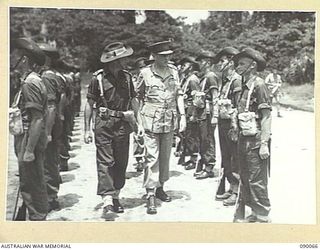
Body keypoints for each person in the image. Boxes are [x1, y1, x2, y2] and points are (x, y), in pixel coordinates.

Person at [84, 42, 137, 214]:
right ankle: (107, 200)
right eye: (121, 59)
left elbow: (133, 100)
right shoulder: (97, 79)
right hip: (104, 124)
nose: (124, 62)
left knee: (121, 162)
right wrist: (86, 129)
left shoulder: (128, 78)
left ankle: (116, 196)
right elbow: (89, 104)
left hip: (123, 124)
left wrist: (138, 122)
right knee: (105, 162)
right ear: (112, 61)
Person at [136, 41, 186, 214]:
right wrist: (139, 121)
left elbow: (178, 94)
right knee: (152, 156)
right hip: (150, 119)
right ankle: (150, 193)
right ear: (154, 56)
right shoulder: (145, 73)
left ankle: (160, 187)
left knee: (165, 156)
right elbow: (137, 97)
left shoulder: (174, 71)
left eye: (169, 55)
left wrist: (183, 116)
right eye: (163, 56)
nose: (167, 58)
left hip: (169, 119)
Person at [11, 38, 49, 220]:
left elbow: (37, 119)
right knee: (30, 180)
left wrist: (29, 150)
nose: (12, 58)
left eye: (15, 55)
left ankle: (37, 219)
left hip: (29, 136)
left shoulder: (30, 83)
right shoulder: (30, 80)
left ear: (24, 59)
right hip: (28, 135)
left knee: (32, 182)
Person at [232, 48, 272, 223]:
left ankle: (263, 215)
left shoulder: (259, 85)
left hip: (255, 141)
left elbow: (266, 116)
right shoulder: (242, 85)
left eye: (242, 64)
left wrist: (264, 143)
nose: (237, 67)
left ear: (253, 66)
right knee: (246, 176)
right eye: (237, 63)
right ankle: (254, 212)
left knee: (257, 179)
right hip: (243, 139)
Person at [213, 47, 242, 206]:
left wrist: (234, 126)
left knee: (234, 157)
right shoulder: (225, 80)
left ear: (231, 62)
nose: (219, 64)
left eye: (223, 61)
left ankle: (237, 191)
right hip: (223, 123)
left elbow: (238, 105)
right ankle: (231, 187)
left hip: (231, 124)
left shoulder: (236, 80)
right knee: (226, 157)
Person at [38, 43, 63, 211]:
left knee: (47, 160)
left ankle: (51, 198)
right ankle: (50, 196)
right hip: (53, 123)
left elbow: (52, 106)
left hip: (49, 124)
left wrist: (47, 132)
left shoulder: (46, 77)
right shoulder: (52, 75)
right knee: (50, 159)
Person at [192, 51, 219, 179]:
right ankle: (204, 163)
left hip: (209, 111)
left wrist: (215, 115)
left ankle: (209, 167)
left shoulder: (211, 76)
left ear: (208, 62)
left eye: (202, 61)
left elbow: (215, 96)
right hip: (202, 111)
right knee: (203, 138)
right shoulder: (204, 77)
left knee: (208, 139)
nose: (200, 64)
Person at [177, 56, 201, 170]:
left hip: (191, 110)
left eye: (184, 65)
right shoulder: (185, 79)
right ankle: (187, 155)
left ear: (190, 67)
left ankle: (194, 159)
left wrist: (193, 113)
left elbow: (196, 97)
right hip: (185, 110)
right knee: (186, 135)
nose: (182, 67)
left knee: (192, 135)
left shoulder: (193, 79)